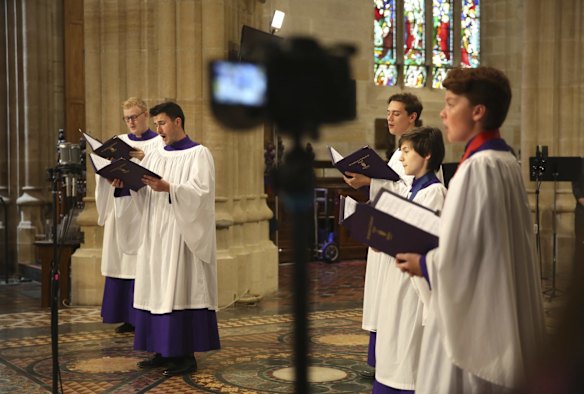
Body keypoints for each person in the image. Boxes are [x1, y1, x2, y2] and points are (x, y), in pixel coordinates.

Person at [396, 67, 546, 393]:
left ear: (477, 112)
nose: (443, 112)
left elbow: (464, 256)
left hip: (471, 322)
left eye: (451, 103)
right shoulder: (503, 160)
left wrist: (422, 264)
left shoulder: (479, 167)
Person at [114, 101, 220, 377]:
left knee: (178, 291)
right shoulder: (155, 155)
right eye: (157, 123)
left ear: (178, 122)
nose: (158, 129)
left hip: (180, 234)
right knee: (157, 290)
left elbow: (202, 194)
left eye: (162, 123)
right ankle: (161, 350)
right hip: (155, 231)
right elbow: (145, 190)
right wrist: (127, 185)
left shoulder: (199, 154)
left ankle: (184, 356)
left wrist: (169, 187)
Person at [344, 93, 423, 377]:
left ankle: (394, 360)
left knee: (396, 299)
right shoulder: (396, 152)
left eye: (396, 113)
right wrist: (368, 183)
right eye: (388, 112)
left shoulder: (419, 149)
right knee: (382, 295)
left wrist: (369, 180)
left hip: (397, 234)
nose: (389, 118)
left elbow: (410, 191)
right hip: (383, 228)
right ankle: (382, 357)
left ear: (412, 116)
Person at [373, 127, 447, 393]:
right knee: (392, 345)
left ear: (426, 154)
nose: (401, 158)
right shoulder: (412, 189)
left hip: (414, 286)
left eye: (406, 151)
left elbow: (429, 241)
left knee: (407, 352)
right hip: (399, 279)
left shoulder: (434, 193)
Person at [96, 97, 162, 334]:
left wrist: (142, 159)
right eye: (127, 118)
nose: (131, 122)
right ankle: (125, 315)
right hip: (121, 207)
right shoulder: (119, 142)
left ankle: (142, 316)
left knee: (141, 262)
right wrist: (107, 177)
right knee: (120, 261)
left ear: (145, 115)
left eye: (135, 116)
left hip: (145, 210)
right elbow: (102, 172)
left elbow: (162, 172)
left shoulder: (158, 144)